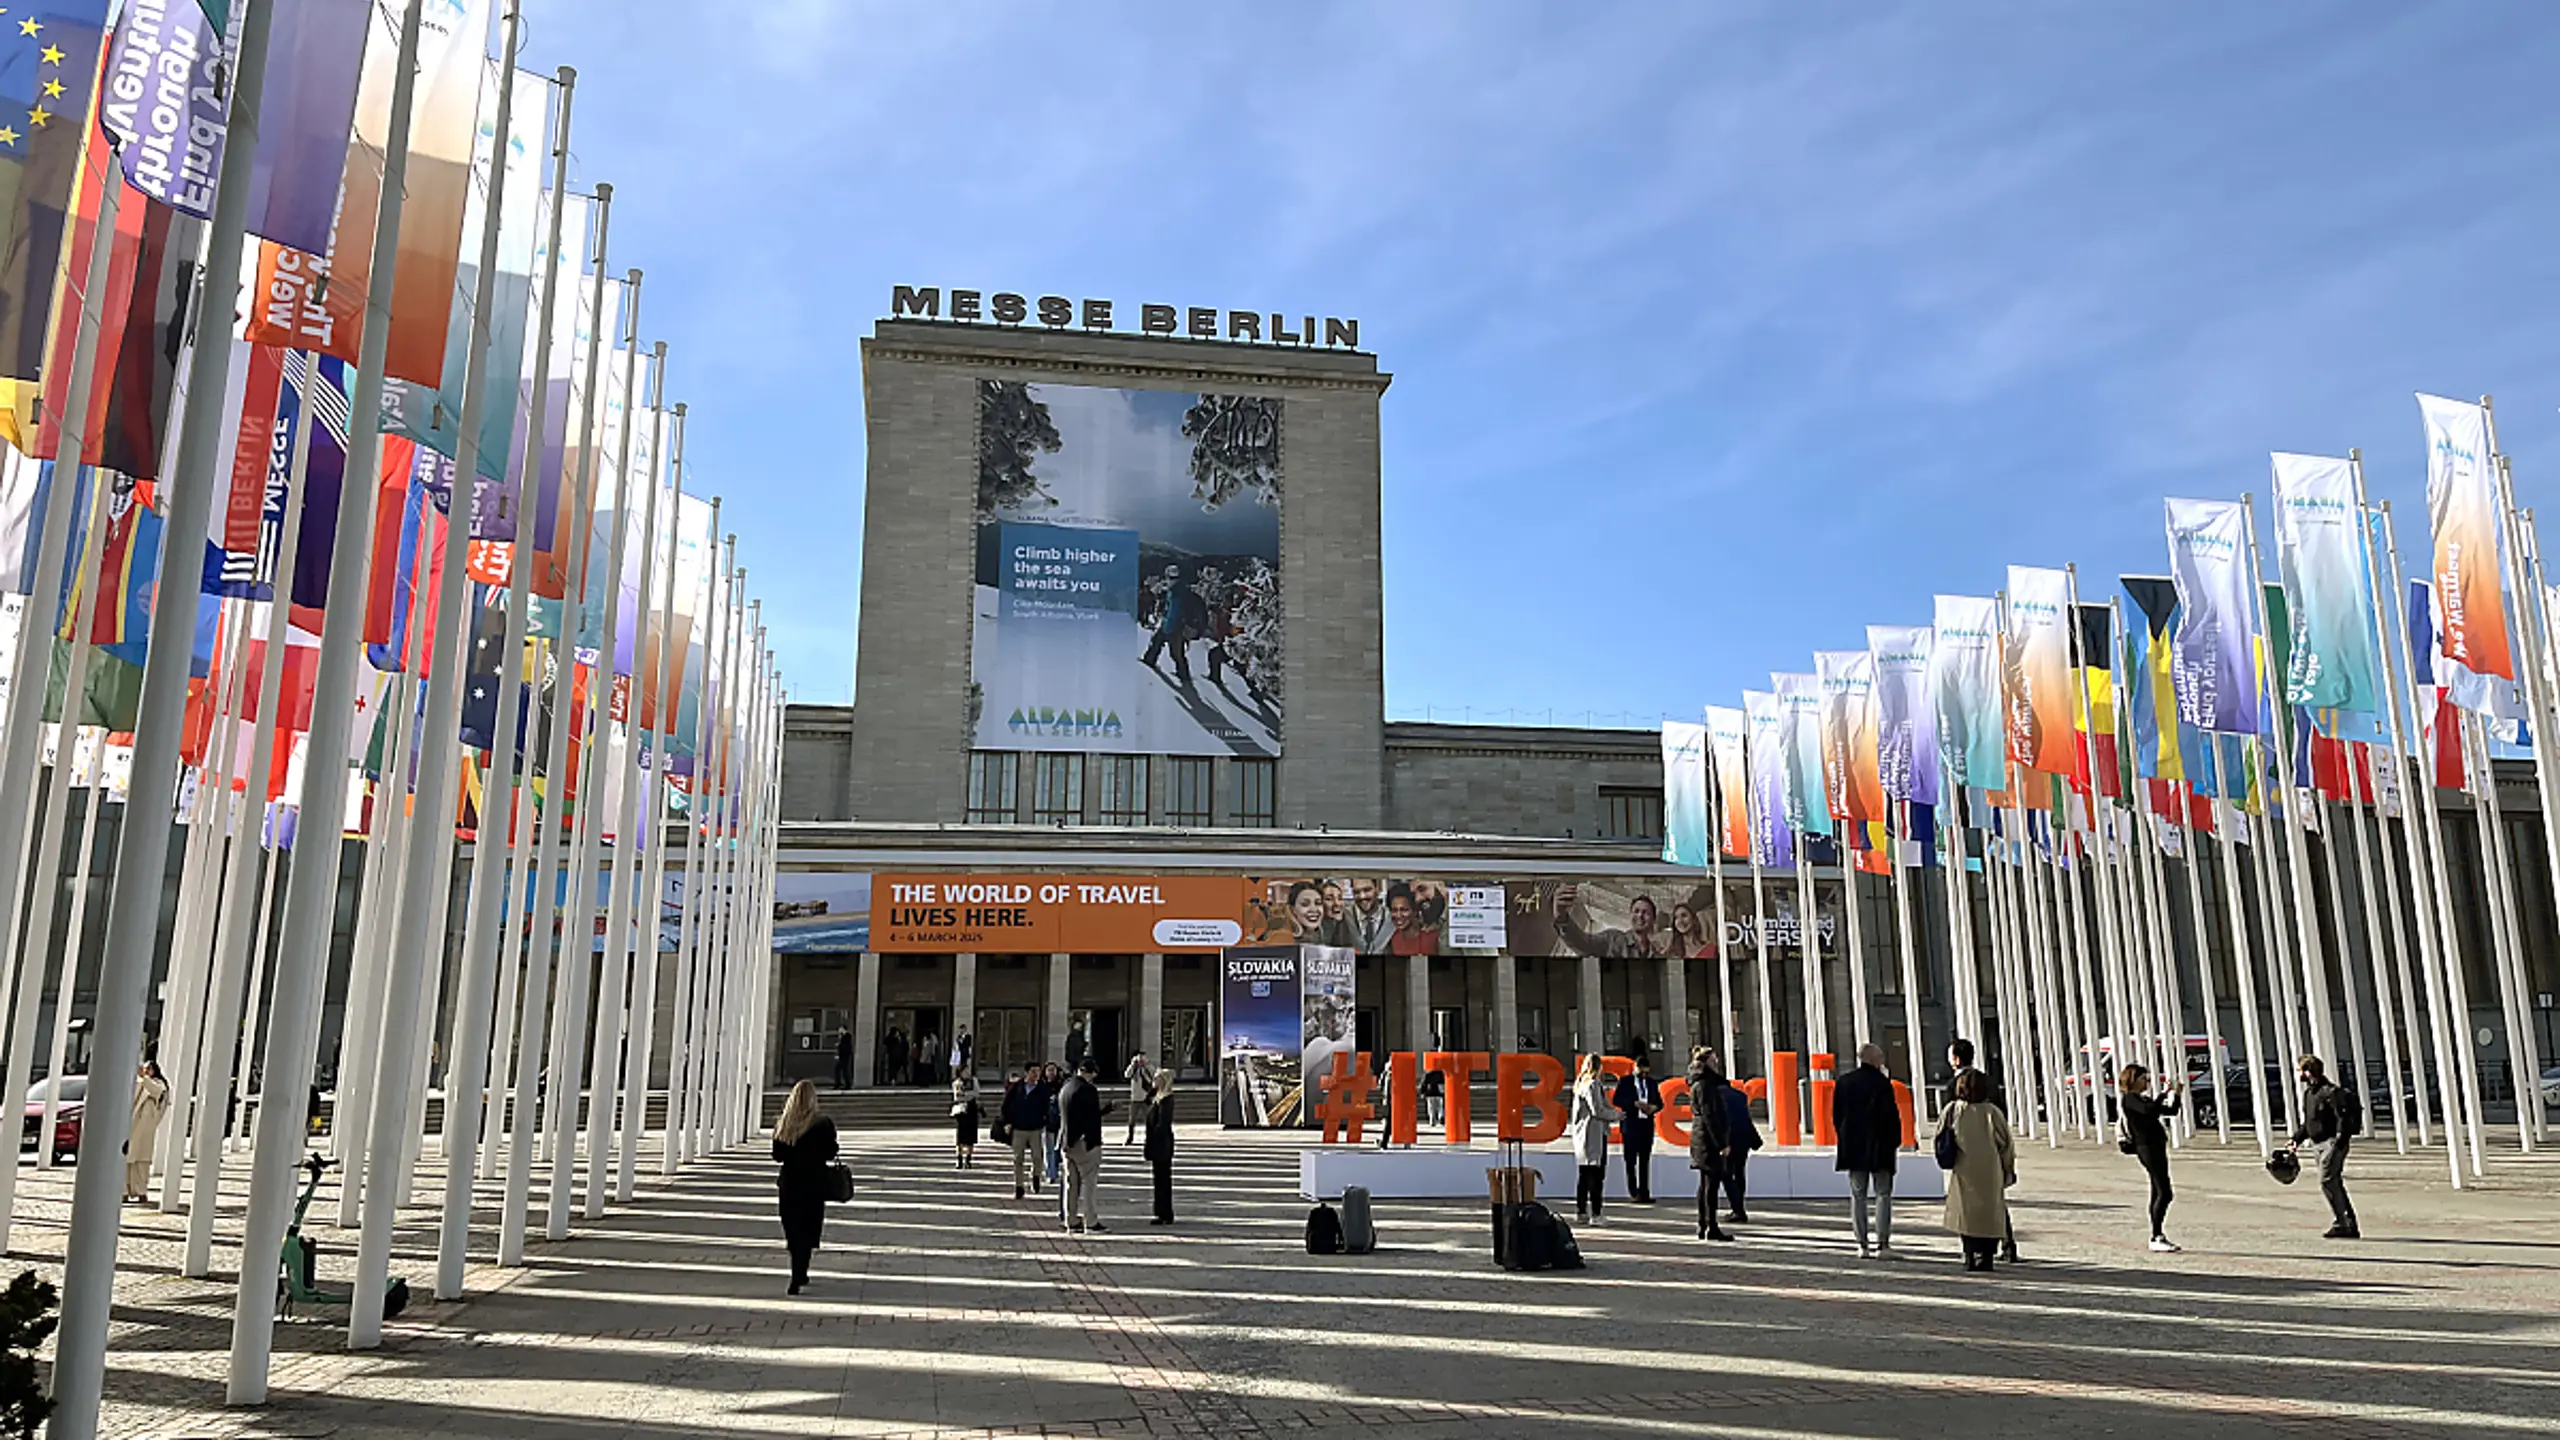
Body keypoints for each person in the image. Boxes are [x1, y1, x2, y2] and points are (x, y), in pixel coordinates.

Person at [1935, 1068, 2017, 1273]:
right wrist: (2008, 1169)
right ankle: (1987, 1256)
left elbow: (1940, 1136)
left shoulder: (1953, 1109)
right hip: (1990, 1169)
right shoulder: (1992, 1112)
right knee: (1990, 1213)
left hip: (1964, 1168)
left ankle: (1969, 1254)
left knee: (1966, 1213)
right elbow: (2006, 1144)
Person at [1833, 1043, 1902, 1259]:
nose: (1883, 1060)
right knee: (1883, 1193)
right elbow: (1891, 1116)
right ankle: (1882, 1243)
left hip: (1853, 1147)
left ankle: (1861, 1243)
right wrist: (1895, 1142)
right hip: (1880, 1146)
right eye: (1880, 1056)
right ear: (1873, 1059)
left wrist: (1845, 1139)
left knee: (1858, 1194)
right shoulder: (1882, 1084)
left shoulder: (1844, 1082)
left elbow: (1837, 1116)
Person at [772, 1080, 840, 1294]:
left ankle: (797, 1271)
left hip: (790, 1183)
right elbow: (830, 1152)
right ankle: (800, 1271)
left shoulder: (785, 1124)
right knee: (809, 1228)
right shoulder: (822, 1123)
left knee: (793, 1229)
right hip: (813, 1182)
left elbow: (777, 1155)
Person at [2288, 1054, 2360, 1239]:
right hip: (2317, 1144)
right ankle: (2347, 1223)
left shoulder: (2331, 1092)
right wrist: (2296, 1139)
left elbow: (2342, 1119)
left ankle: (2341, 1223)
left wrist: (2340, 1140)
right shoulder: (2310, 1094)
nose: (2298, 1074)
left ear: (2308, 1072)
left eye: (2299, 1070)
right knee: (2333, 1182)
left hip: (2332, 1143)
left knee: (2327, 1180)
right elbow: (2309, 1122)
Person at [2119, 1063, 2182, 1252]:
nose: (2146, 1082)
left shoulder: (2142, 1099)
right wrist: (2164, 1092)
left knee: (2158, 1189)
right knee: (2165, 1191)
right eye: (2143, 1079)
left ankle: (2157, 1234)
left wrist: (2176, 1094)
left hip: (2156, 1146)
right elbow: (2150, 1111)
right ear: (2133, 1080)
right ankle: (2156, 1236)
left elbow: (2170, 1111)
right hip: (2146, 1147)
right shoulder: (2130, 1099)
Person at [1057, 1058, 1115, 1233]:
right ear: (1091, 1073)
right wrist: (1094, 1141)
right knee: (1089, 1183)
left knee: (1071, 1183)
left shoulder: (1066, 1087)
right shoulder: (1088, 1090)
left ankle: (1071, 1220)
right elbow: (1091, 1118)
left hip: (1067, 1142)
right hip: (1085, 1142)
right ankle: (1090, 1221)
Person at [1685, 1047, 1736, 1241]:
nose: (1717, 1062)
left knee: (1706, 1183)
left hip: (1702, 1138)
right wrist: (1722, 1143)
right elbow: (1710, 1116)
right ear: (1705, 1062)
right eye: (1714, 1059)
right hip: (1707, 1140)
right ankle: (1709, 1226)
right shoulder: (1705, 1085)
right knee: (1710, 1185)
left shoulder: (1701, 1083)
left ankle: (1704, 1225)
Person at [1552, 883, 1668, 958]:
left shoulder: (1658, 954)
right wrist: (1561, 916)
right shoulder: (1613, 939)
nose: (1640, 916)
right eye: (1636, 911)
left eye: (1646, 913)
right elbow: (1584, 943)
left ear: (1653, 920)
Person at [1566, 1053, 1616, 1225]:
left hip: (1582, 1136)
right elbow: (1598, 1111)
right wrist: (1616, 1115)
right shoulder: (1593, 1085)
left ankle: (1581, 1211)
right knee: (1596, 1176)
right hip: (1593, 1135)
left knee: (1584, 1176)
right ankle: (1596, 1213)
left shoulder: (1580, 1084)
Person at [1611, 1053, 1662, 1202]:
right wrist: (1634, 1103)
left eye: (1647, 1072)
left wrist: (1654, 1107)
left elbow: (1660, 1102)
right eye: (1642, 1072)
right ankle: (1633, 1191)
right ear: (1635, 1068)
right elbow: (1617, 1099)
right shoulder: (1626, 1082)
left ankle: (1644, 1192)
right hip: (1631, 1125)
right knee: (1631, 1160)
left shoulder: (1652, 1083)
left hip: (1646, 1125)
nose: (1644, 1075)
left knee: (1645, 1160)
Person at [1141, 564, 1204, 681]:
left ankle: (1183, 675)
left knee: (1174, 653)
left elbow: (1173, 613)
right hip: (1175, 626)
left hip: (1174, 628)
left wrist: (1166, 628)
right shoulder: (1179, 589)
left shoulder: (1176, 593)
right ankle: (1150, 661)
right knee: (1161, 644)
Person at [125, 1059, 169, 1204]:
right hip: (132, 1126)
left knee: (141, 1162)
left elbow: (157, 1091)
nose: (146, 1071)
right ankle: (125, 1191)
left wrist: (145, 1078)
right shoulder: (138, 1083)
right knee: (127, 1161)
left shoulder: (158, 1084)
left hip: (145, 1129)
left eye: (148, 1069)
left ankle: (141, 1191)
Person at [1721, 1070, 1762, 1223]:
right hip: (1743, 1139)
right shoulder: (1740, 1095)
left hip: (1729, 1140)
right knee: (1739, 1173)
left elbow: (1726, 1121)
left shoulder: (1717, 1096)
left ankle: (1737, 1209)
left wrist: (1723, 1143)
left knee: (1726, 1174)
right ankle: (1739, 1207)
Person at [1003, 1066, 1050, 1198]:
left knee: (1037, 1157)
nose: (1036, 1075)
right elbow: (1006, 1104)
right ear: (1026, 1073)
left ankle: (1036, 1176)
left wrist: (1045, 1121)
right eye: (1033, 1072)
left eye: (1038, 1072)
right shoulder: (1017, 1087)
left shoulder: (1042, 1088)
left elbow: (1047, 1107)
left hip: (1036, 1128)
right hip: (1019, 1128)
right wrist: (1007, 1122)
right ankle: (1019, 1186)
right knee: (1018, 1159)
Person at [1143, 1072, 1177, 1225]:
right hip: (1156, 1143)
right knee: (1159, 1179)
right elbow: (1146, 1101)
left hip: (1161, 1143)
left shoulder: (1166, 1100)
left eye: (1157, 1079)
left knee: (1163, 1178)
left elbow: (1163, 1124)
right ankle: (1160, 1211)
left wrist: (1154, 1141)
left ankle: (1165, 1213)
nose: (1154, 1081)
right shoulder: (1157, 1097)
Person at [1385, 881, 1440, 956]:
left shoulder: (1432, 936)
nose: (1398, 915)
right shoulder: (1391, 939)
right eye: (1394, 910)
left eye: (1404, 910)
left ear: (1415, 910)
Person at [1347, 877, 1394, 954]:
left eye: (1367, 890)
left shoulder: (1392, 918)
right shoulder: (1345, 916)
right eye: (1356, 892)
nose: (1362, 896)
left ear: (1378, 890)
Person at [950, 1065, 981, 1169]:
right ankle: (959, 1158)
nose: (967, 1073)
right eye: (965, 1071)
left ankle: (968, 1158)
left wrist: (965, 1094)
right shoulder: (957, 1083)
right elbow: (957, 1096)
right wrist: (966, 1095)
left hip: (972, 1110)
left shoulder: (974, 1081)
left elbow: (976, 1093)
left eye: (968, 1071)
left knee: (971, 1137)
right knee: (960, 1137)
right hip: (961, 1111)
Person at [1041, 1061, 1067, 1184]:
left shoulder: (1061, 1086)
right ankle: (1051, 1173)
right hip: (1046, 1122)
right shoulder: (1041, 1086)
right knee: (1048, 1149)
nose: (1051, 1073)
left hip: (1060, 1121)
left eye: (1053, 1070)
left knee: (1058, 1149)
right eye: (1049, 1070)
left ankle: (1056, 1169)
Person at [1124, 1052, 1157, 1144]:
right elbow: (1127, 1075)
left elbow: (1154, 1076)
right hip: (1135, 1097)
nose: (1140, 1060)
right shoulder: (1134, 1069)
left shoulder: (1148, 1068)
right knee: (1132, 1119)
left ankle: (1150, 1137)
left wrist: (1146, 1066)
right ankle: (1130, 1137)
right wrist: (1133, 1065)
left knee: (1149, 1118)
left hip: (1146, 1097)